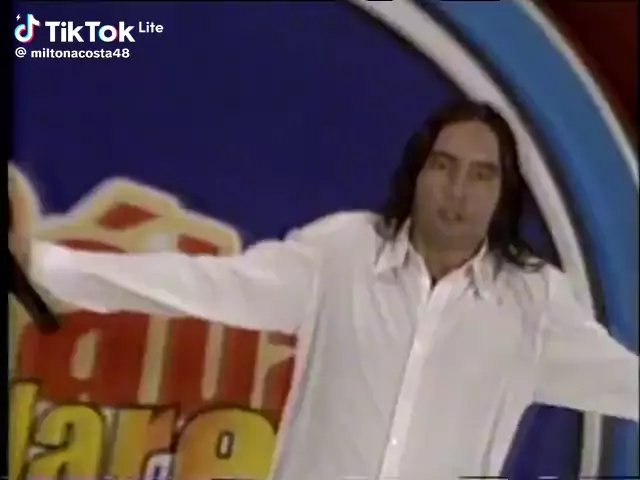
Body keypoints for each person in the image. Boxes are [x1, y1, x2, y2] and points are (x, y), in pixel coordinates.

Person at [10, 100, 639, 479]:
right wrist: (45, 263)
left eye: (481, 175)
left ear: (503, 193)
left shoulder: (532, 304)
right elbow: (205, 286)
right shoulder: (343, 254)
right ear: (417, 173)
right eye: (444, 167)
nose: (457, 191)